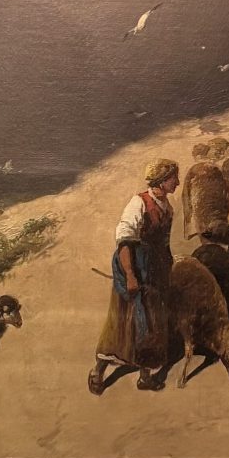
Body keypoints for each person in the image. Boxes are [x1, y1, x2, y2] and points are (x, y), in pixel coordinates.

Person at [89, 157, 179, 394]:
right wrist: (130, 275)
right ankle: (98, 371)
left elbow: (164, 244)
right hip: (133, 265)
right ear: (161, 180)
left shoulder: (168, 208)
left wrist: (168, 267)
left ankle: (144, 376)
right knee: (123, 321)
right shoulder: (139, 203)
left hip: (155, 269)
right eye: (173, 178)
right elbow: (124, 241)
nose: (177, 183)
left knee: (152, 321)